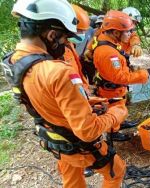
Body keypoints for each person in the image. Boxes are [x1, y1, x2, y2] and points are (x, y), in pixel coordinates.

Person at [6, 0, 127, 187]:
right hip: (75, 142)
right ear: (52, 34)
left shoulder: (16, 62)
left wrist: (83, 101)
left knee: (72, 178)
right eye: (65, 39)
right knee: (116, 171)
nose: (66, 44)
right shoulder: (59, 72)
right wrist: (116, 114)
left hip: (56, 135)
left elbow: (45, 97)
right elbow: (88, 131)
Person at [92, 10, 150, 141]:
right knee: (113, 109)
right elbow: (119, 77)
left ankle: (119, 123)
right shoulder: (108, 53)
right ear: (116, 32)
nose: (131, 34)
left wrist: (135, 44)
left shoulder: (110, 41)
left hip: (115, 89)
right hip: (111, 90)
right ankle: (113, 133)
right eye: (128, 32)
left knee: (119, 106)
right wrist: (143, 75)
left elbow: (118, 70)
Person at [63, 4, 90, 91]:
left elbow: (77, 70)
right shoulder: (57, 51)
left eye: (84, 31)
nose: (82, 34)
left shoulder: (69, 44)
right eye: (80, 30)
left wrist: (85, 87)